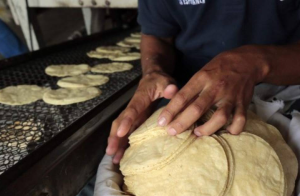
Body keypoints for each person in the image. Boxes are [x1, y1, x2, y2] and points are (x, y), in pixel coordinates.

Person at [106, 0, 300, 163]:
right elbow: (158, 35)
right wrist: (154, 71)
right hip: (189, 97)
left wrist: (255, 63)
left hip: (286, 90)